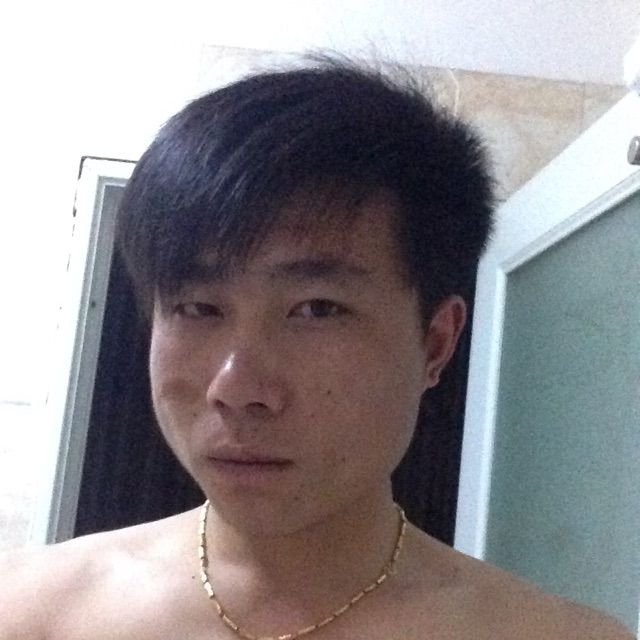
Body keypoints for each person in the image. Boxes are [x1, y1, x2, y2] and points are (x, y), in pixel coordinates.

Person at [1, 56, 633, 640]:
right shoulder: (27, 612)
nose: (236, 388)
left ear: (436, 343)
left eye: (317, 309)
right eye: (198, 307)